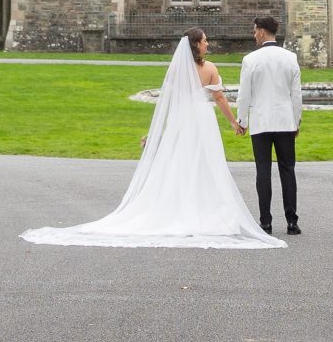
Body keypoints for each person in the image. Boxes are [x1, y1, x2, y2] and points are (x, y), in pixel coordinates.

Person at [21, 28, 282, 249]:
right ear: (197, 45)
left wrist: (156, 132)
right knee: (205, 164)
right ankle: (204, 209)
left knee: (178, 164)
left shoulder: (177, 70)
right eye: (204, 40)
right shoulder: (210, 69)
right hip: (202, 121)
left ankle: (179, 208)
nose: (208, 44)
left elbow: (167, 103)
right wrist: (234, 122)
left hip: (181, 120)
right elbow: (220, 98)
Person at [233, 13, 303, 235]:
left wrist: (241, 120)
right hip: (284, 121)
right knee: (287, 170)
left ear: (262, 31)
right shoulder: (290, 57)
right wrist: (296, 121)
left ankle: (266, 222)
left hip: (261, 122)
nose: (254, 35)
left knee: (263, 171)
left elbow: (244, 94)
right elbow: (296, 95)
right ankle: (292, 221)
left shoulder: (250, 60)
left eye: (255, 31)